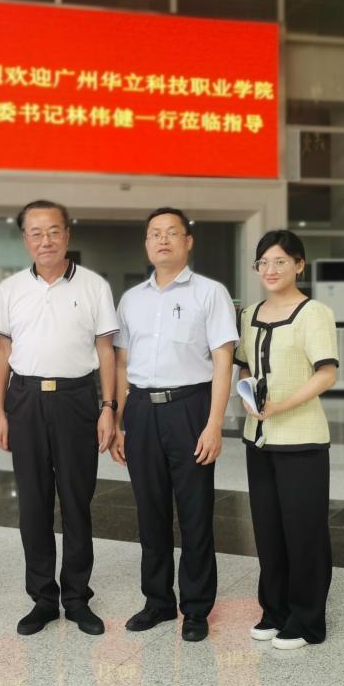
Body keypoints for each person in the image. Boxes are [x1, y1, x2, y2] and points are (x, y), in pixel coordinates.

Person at [0, 200, 119, 636]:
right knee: (33, 503)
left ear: (67, 235)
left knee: (77, 501)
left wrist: (108, 408)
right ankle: (43, 599)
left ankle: (77, 598)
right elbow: (1, 353)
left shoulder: (94, 285)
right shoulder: (10, 289)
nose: (45, 240)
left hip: (76, 400)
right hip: (25, 400)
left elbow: (106, 351)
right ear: (25, 239)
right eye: (35, 232)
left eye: (53, 231)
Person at [110, 208, 237, 643]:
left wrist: (214, 424)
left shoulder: (210, 293)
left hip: (190, 408)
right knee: (151, 512)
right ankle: (158, 601)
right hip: (142, 411)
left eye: (171, 233)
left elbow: (223, 362)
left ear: (188, 241)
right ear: (146, 243)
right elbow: (122, 364)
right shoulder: (132, 300)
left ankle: (196, 608)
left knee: (196, 512)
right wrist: (120, 422)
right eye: (154, 234)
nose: (162, 240)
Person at [235, 230, 339, 650]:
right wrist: (248, 395)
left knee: (304, 531)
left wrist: (280, 405)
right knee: (269, 530)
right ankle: (274, 610)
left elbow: (327, 373)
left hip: (301, 440)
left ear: (299, 265)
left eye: (280, 261)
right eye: (263, 262)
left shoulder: (314, 313)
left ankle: (308, 620)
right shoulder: (250, 314)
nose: (271, 269)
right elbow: (244, 365)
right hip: (259, 439)